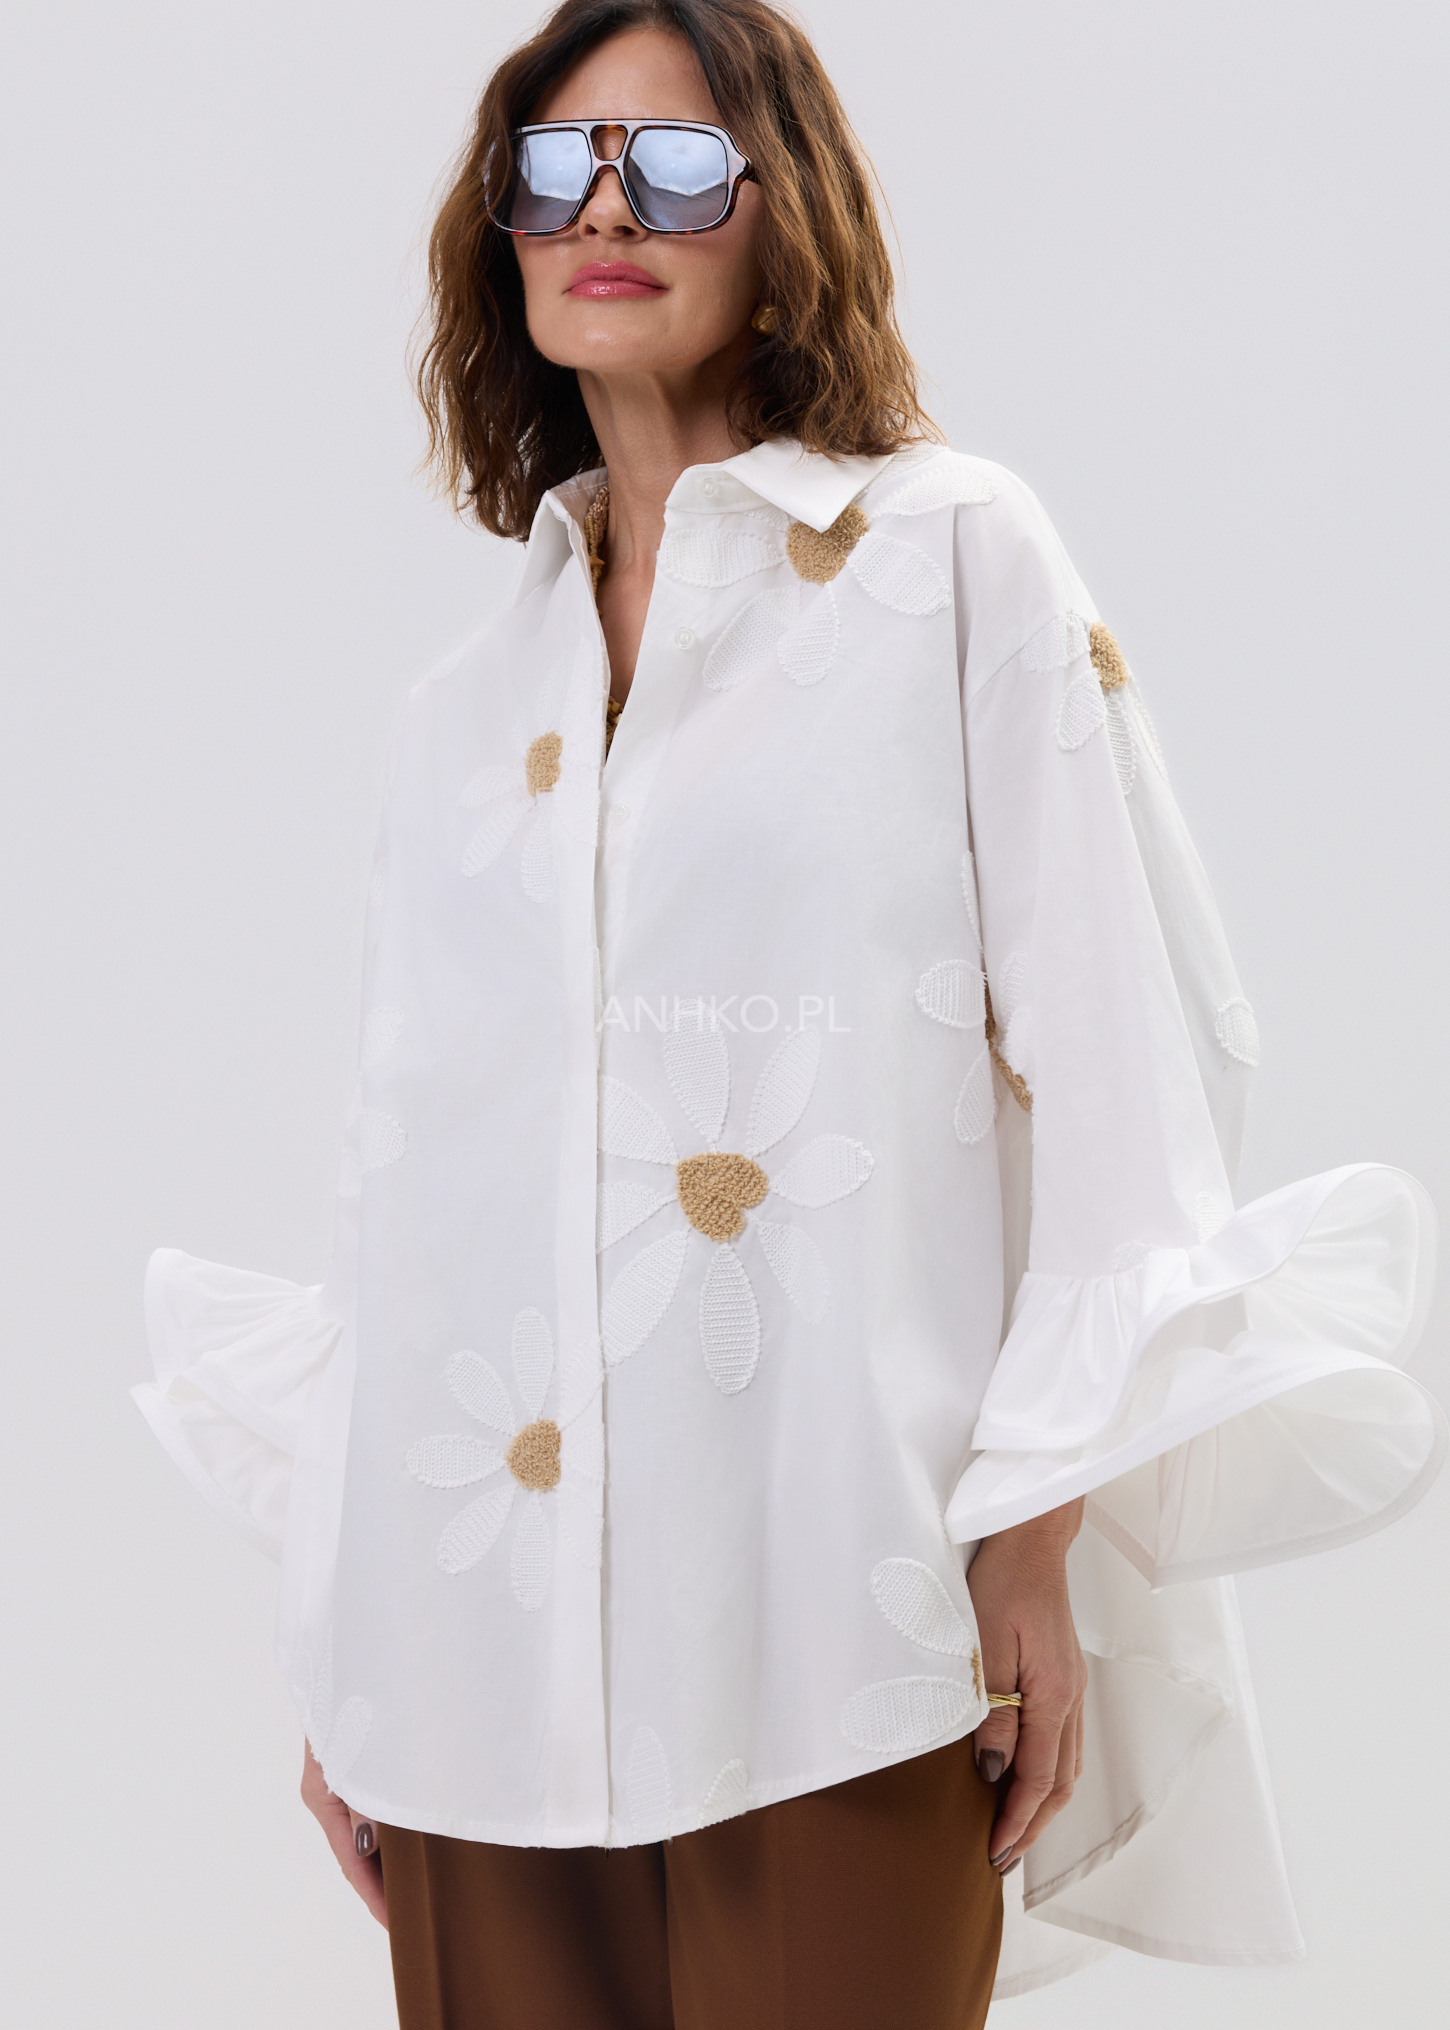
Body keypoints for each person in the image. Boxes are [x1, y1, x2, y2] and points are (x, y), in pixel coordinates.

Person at [134, 2, 1445, 2023]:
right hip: (471, 1674)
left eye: (669, 167)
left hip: (839, 1632)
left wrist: (1026, 1542)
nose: (603, 212)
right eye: (553, 168)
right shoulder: (458, 718)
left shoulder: (950, 562)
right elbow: (404, 1207)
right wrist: (351, 1641)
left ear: (783, 212)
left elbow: (1121, 1068)